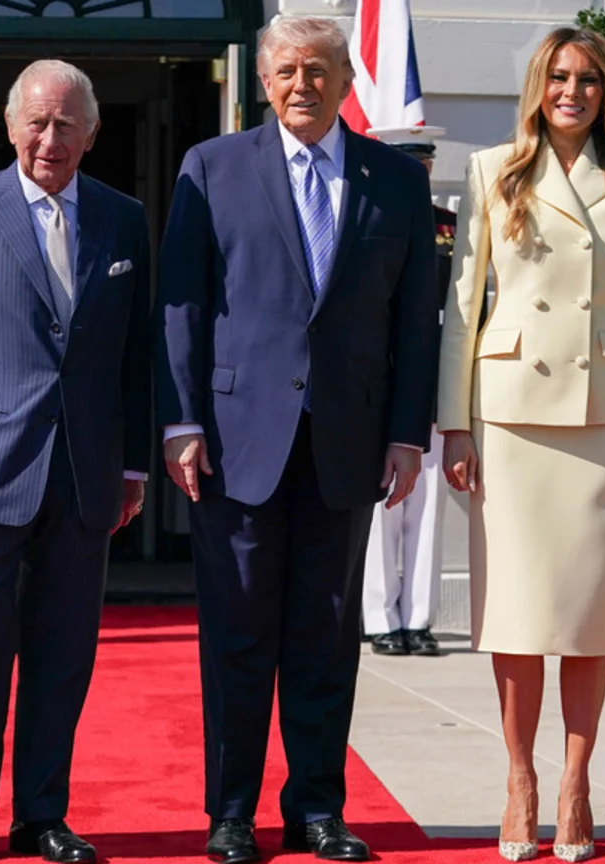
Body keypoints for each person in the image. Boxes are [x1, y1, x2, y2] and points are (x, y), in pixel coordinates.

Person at [156, 17, 439, 864]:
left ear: (347, 79)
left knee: (324, 637)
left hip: (348, 444)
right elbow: (183, 304)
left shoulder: (395, 179)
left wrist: (407, 435)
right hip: (237, 443)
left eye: (318, 70)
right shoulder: (212, 169)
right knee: (238, 634)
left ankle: (318, 809)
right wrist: (181, 421)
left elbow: (414, 322)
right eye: (286, 71)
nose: (302, 85)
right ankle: (231, 814)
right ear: (264, 82)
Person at [436, 27, 605, 863]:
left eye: (587, 80)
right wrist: (454, 421)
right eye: (559, 78)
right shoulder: (491, 169)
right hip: (509, 415)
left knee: (588, 614)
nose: (572, 92)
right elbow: (464, 309)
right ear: (540, 86)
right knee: (515, 613)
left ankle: (576, 784)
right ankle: (519, 780)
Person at [0, 60, 152, 864]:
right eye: (37, 123)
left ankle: (44, 812)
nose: (51, 139)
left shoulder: (124, 220)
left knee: (63, 647)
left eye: (66, 124)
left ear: (92, 132)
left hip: (85, 472)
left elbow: (140, 352)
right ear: (11, 128)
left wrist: (136, 464)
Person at [361, 124, 454, 658]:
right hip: (378, 385)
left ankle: (418, 617)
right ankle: (380, 616)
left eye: (424, 165)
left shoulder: (448, 227)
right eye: (408, 164)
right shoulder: (367, 215)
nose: (418, 174)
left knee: (428, 505)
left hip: (433, 383)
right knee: (380, 509)